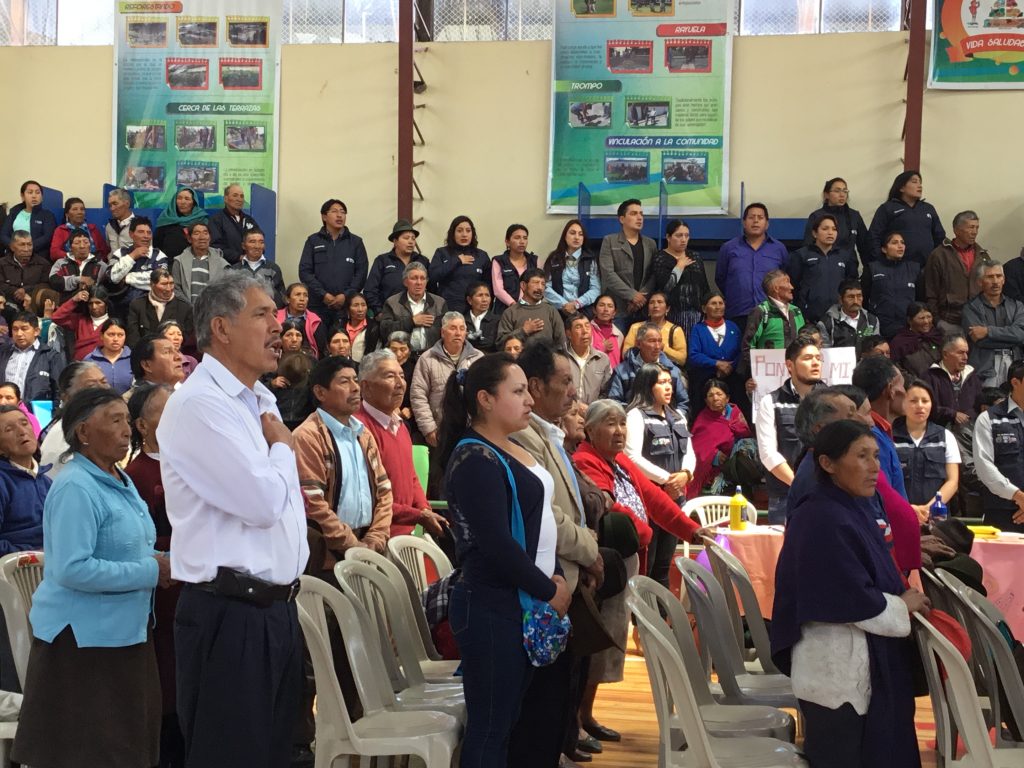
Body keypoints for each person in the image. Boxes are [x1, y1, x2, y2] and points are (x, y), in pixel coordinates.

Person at [157, 271, 310, 766]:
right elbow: (262, 503)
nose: (278, 326)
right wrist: (283, 449)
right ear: (220, 328)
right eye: (262, 314)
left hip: (276, 611)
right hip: (230, 615)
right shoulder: (200, 404)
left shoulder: (259, 400)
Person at [11, 387, 170, 768]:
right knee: (93, 752)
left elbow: (129, 548)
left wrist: (168, 561)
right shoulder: (75, 487)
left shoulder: (118, 478)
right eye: (114, 421)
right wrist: (153, 570)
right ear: (83, 432)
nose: (127, 430)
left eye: (126, 420)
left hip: (126, 631)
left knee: (129, 747)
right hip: (83, 642)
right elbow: (72, 568)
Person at [437, 353, 570, 768]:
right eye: (518, 391)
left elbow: (539, 522)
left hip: (521, 599)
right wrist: (549, 588)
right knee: (491, 728)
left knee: (509, 722)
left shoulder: (508, 446)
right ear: (486, 399)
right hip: (492, 606)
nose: (529, 399)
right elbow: (496, 544)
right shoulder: (475, 459)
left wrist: (556, 577)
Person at [771, 418, 927, 768]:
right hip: (836, 667)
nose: (874, 467)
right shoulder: (821, 517)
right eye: (861, 456)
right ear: (828, 463)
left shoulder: (849, 506)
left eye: (876, 456)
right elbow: (851, 599)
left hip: (854, 657)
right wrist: (903, 605)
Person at [509, 340, 604, 768]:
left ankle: (563, 744)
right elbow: (548, 514)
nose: (573, 391)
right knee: (543, 701)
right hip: (548, 579)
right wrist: (588, 549)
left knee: (564, 685)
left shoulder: (548, 431)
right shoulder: (520, 436)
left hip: (568, 572)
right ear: (535, 385)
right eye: (564, 381)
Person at [123, 383, 182, 767]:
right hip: (167, 581)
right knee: (169, 672)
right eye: (165, 412)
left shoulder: (193, 462)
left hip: (200, 574)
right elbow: (139, 536)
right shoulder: (137, 473)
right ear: (142, 426)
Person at [573, 398, 701, 575]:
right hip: (609, 562)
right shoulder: (584, 461)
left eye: (622, 424)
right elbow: (607, 507)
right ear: (591, 430)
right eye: (611, 424)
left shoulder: (620, 459)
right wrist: (644, 532)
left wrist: (694, 530)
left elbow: (655, 499)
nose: (619, 431)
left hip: (632, 554)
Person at [294, 354, 393, 562]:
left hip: (368, 548)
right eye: (344, 382)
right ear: (320, 392)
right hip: (327, 557)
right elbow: (313, 503)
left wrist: (375, 538)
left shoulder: (363, 434)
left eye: (355, 380)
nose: (355, 388)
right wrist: (353, 546)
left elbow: (384, 492)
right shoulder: (308, 436)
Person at [354, 349, 447, 538]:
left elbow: (411, 476)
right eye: (390, 376)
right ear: (366, 386)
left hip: (406, 534)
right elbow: (366, 498)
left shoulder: (400, 426)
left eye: (402, 376)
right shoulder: (358, 429)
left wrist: (424, 508)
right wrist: (418, 515)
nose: (400, 383)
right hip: (375, 538)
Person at [624, 363, 695, 588]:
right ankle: (643, 610)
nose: (668, 387)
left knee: (664, 565)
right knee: (647, 563)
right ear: (647, 385)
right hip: (649, 501)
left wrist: (686, 474)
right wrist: (668, 480)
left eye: (669, 382)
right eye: (662, 382)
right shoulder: (636, 416)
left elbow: (690, 452)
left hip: (675, 499)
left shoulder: (678, 416)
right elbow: (631, 457)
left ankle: (663, 610)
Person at [756, 337, 824, 523]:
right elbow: (768, 454)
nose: (815, 363)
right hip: (785, 498)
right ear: (790, 365)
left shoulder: (832, 401)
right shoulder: (770, 402)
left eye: (818, 358)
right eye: (808, 358)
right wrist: (798, 484)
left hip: (826, 496)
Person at [410, 312, 483, 448]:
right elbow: (418, 396)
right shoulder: (427, 359)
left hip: (473, 430)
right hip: (440, 430)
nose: (458, 333)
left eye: (462, 329)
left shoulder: (478, 358)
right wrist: (429, 429)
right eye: (453, 328)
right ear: (443, 332)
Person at [892, 379, 960, 522]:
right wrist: (908, 509)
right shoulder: (890, 436)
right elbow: (886, 481)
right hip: (900, 514)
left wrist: (929, 509)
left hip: (936, 516)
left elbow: (952, 481)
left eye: (925, 401)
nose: (920, 406)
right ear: (903, 403)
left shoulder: (945, 436)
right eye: (913, 401)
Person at [715, 203, 788, 331]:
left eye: (760, 217)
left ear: (767, 223)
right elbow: (720, 278)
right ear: (744, 222)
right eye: (751, 217)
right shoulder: (729, 248)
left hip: (772, 314)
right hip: (738, 313)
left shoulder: (779, 249)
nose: (755, 221)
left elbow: (786, 279)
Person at [298, 199, 368, 326]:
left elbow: (361, 273)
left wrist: (345, 296)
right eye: (334, 211)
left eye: (343, 212)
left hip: (346, 306)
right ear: (324, 216)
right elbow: (305, 272)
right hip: (318, 305)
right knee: (318, 337)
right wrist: (323, 294)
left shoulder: (356, 242)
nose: (339, 215)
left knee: (343, 338)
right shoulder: (313, 241)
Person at [973, 359, 1024, 532]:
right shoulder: (989, 418)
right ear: (1015, 382)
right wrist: (1018, 496)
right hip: (1002, 511)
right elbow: (984, 466)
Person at [851, 355, 909, 499]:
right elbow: (883, 499)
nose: (906, 392)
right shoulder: (873, 438)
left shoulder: (879, 434)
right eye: (903, 385)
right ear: (890, 390)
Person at [39, 361, 109, 479]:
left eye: (104, 382)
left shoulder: (103, 426)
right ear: (67, 397)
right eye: (91, 386)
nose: (102, 390)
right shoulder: (62, 436)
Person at [924, 210, 991, 331]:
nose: (975, 232)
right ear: (957, 230)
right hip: (949, 320)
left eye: (977, 227)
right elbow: (931, 292)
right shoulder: (939, 255)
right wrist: (937, 321)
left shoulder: (983, 256)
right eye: (971, 227)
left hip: (978, 320)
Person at [789, 212, 858, 324]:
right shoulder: (801, 255)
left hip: (839, 317)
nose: (830, 232)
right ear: (815, 233)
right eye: (825, 229)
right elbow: (793, 286)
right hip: (809, 318)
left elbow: (851, 285)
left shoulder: (845, 256)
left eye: (834, 229)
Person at [963, 260, 1024, 388]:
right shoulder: (971, 308)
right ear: (980, 282)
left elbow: (1020, 335)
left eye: (999, 276)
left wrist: (988, 331)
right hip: (985, 369)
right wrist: (1011, 338)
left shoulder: (1017, 306)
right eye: (990, 277)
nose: (995, 281)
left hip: (1014, 365)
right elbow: (980, 341)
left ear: (1004, 280)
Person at [598, 199, 657, 330]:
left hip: (643, 308)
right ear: (622, 219)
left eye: (641, 214)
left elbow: (654, 274)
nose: (639, 218)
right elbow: (608, 274)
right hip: (618, 308)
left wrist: (640, 298)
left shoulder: (650, 244)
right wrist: (632, 295)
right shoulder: (609, 241)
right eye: (634, 214)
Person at [689, 378, 755, 496]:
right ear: (706, 401)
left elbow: (746, 435)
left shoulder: (735, 414)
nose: (715, 398)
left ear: (727, 398)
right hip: (716, 470)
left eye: (719, 394)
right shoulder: (703, 420)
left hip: (740, 467)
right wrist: (715, 455)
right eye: (710, 395)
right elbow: (698, 447)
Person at [739, 269, 804, 383]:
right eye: (787, 282)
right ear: (776, 288)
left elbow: (804, 341)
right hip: (769, 377)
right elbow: (748, 347)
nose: (792, 287)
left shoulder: (796, 311)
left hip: (796, 374)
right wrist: (757, 373)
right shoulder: (761, 311)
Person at [868, 169, 945, 266]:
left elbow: (939, 236)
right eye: (914, 182)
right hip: (897, 267)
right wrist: (881, 261)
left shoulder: (928, 208)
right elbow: (874, 236)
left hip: (926, 266)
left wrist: (937, 261)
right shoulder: (888, 208)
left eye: (920, 183)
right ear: (901, 187)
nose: (919, 186)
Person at [607, 322, 688, 412]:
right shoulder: (622, 371)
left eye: (659, 341)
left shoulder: (673, 371)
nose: (658, 346)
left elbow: (683, 404)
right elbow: (613, 402)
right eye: (652, 341)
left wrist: (674, 419)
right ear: (638, 344)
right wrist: (635, 414)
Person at [649, 218, 710, 336]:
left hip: (697, 314)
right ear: (668, 237)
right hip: (672, 314)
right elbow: (665, 288)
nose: (683, 239)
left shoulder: (695, 256)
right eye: (679, 235)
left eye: (686, 236)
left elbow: (704, 286)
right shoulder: (660, 258)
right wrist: (679, 267)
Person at [0, 404, 47, 553]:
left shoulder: (47, 481)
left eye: (24, 423)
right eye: (9, 429)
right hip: (19, 565)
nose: (22, 432)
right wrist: (33, 554)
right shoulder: (3, 483)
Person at [688, 290, 743, 414]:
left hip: (732, 377)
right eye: (713, 303)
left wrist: (730, 367)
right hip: (706, 379)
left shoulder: (733, 327)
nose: (718, 306)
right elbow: (694, 355)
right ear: (704, 308)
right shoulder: (698, 329)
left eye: (721, 303)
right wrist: (716, 364)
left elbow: (741, 352)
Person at [377, 261, 447, 355]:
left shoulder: (439, 303)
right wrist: (411, 322)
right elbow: (385, 331)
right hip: (402, 356)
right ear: (405, 282)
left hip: (431, 356)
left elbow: (446, 332)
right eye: (414, 278)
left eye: (422, 278)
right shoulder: (392, 303)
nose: (419, 282)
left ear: (427, 281)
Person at [802, 177, 872, 269]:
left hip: (849, 268)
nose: (842, 195)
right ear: (826, 194)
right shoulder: (817, 216)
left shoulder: (854, 216)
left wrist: (868, 270)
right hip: (824, 267)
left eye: (845, 191)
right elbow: (808, 245)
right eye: (837, 191)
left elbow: (864, 246)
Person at [106, 216, 169, 317]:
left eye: (149, 232)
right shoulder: (120, 253)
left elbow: (159, 280)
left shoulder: (159, 255)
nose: (146, 236)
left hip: (150, 309)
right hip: (120, 308)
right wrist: (132, 256)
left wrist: (127, 278)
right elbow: (112, 277)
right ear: (131, 234)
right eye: (141, 232)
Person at [364, 219, 429, 314]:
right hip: (390, 314)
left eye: (413, 238)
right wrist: (379, 312)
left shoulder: (423, 261)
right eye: (406, 238)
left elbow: (431, 289)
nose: (411, 242)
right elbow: (370, 290)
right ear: (395, 241)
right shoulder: (383, 260)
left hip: (419, 313)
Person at [863, 231, 920, 339]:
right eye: (894, 242)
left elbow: (920, 298)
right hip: (879, 326)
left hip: (907, 327)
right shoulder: (872, 268)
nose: (900, 246)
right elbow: (864, 298)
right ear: (884, 249)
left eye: (902, 242)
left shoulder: (914, 269)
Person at [429, 214, 489, 314]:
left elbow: (488, 286)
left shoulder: (481, 256)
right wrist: (456, 261)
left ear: (472, 234)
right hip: (447, 307)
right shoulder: (442, 253)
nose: (464, 234)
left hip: (474, 309)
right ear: (453, 233)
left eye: (468, 231)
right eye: (460, 231)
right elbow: (432, 277)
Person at [0, 311, 64, 405]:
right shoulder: (3, 352)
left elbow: (59, 390)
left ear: (36, 331)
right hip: (4, 410)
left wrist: (54, 412)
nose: (19, 333)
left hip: (36, 411)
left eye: (24, 329)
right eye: (15, 329)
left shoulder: (50, 355)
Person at [126, 268, 195, 351]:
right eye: (164, 284)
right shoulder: (138, 305)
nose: (169, 288)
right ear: (152, 285)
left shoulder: (185, 307)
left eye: (171, 283)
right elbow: (133, 338)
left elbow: (187, 340)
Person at [497, 268, 568, 348]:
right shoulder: (510, 312)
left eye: (543, 284)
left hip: (547, 356)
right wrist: (524, 331)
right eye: (536, 283)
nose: (540, 288)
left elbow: (562, 343)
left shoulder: (551, 311)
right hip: (520, 356)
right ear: (523, 285)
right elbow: (501, 344)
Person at [922, 333, 981, 429]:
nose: (965, 357)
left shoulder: (972, 375)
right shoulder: (930, 377)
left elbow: (979, 403)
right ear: (945, 354)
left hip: (970, 430)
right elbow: (925, 406)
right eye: (960, 353)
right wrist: (952, 414)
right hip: (939, 431)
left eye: (966, 352)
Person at [543, 218, 601, 317]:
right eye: (572, 233)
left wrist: (576, 304)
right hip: (558, 311)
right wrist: (564, 305)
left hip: (583, 312)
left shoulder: (590, 259)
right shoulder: (553, 258)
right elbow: (545, 287)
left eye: (580, 234)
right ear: (565, 236)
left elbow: (596, 290)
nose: (577, 237)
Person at [171, 221, 229, 305]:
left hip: (213, 309)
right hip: (186, 309)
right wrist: (188, 307)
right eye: (196, 233)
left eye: (205, 233)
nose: (202, 237)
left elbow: (226, 290)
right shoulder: (179, 261)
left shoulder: (222, 264)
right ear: (189, 239)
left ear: (210, 238)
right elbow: (175, 288)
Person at [622, 292, 687, 366]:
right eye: (652, 302)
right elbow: (625, 354)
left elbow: (682, 359)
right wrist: (642, 347)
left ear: (667, 309)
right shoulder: (636, 327)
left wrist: (663, 348)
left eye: (660, 302)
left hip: (667, 371)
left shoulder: (675, 330)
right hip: (638, 369)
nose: (655, 305)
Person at [49, 227, 110, 306]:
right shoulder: (61, 263)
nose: (82, 246)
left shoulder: (101, 265)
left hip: (91, 307)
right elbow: (54, 281)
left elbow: (106, 288)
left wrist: (91, 287)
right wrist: (78, 279)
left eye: (86, 242)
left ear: (90, 245)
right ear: (70, 247)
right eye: (77, 243)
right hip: (66, 306)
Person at [816, 279, 882, 353]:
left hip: (866, 360)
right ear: (840, 299)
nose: (856, 301)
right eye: (851, 297)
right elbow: (825, 353)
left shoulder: (872, 320)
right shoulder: (826, 323)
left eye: (859, 296)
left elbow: (877, 350)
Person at [227, 229, 285, 308]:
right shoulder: (234, 270)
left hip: (266, 312)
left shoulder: (273, 269)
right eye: (252, 242)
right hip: (241, 312)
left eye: (261, 242)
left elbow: (281, 298)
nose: (257, 246)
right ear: (243, 246)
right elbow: (229, 297)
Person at [51, 284, 109, 360]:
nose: (94, 307)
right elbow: (56, 317)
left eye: (98, 303)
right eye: (90, 303)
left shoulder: (112, 324)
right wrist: (74, 300)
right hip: (80, 364)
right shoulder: (80, 320)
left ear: (106, 305)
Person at [0, 180, 56, 257]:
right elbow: (3, 234)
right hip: (13, 255)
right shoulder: (14, 212)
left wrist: (27, 248)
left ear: (42, 197)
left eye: (37, 193)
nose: (34, 196)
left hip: (37, 256)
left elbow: (47, 237)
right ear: (23, 196)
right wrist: (13, 246)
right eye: (30, 192)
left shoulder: (48, 215)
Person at [207, 183, 259, 265]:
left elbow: (259, 240)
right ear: (225, 199)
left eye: (241, 196)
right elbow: (215, 246)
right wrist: (239, 257)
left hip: (250, 265)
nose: (239, 199)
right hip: (226, 266)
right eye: (235, 195)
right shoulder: (216, 220)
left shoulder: (249, 220)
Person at [491, 224, 539, 312]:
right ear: (507, 242)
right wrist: (514, 305)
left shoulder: (534, 260)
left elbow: (540, 286)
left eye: (525, 238)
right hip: (505, 310)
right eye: (517, 238)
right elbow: (498, 290)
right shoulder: (499, 261)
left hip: (531, 309)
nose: (522, 241)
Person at [565, 313, 611, 404]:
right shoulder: (560, 358)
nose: (585, 331)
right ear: (568, 334)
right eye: (578, 327)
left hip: (593, 410)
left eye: (587, 326)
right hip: (566, 409)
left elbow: (606, 392)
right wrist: (575, 406)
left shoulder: (602, 359)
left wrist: (593, 408)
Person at [890, 302, 942, 380]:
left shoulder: (936, 336)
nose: (926, 321)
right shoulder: (899, 343)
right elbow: (897, 370)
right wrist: (916, 383)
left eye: (929, 317)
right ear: (909, 320)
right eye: (921, 318)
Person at [49, 197, 110, 262]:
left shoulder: (93, 229)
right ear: (67, 214)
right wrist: (75, 258)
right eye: (75, 209)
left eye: (82, 209)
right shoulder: (61, 230)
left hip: (93, 263)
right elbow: (54, 253)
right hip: (70, 263)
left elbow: (104, 251)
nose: (79, 212)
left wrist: (94, 261)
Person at [275, 282, 326, 359]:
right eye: (298, 294)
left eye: (305, 295)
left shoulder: (315, 321)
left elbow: (321, 350)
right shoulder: (275, 318)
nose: (302, 299)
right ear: (287, 299)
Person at [0, 230, 51, 306]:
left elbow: (46, 285)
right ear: (12, 247)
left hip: (34, 302)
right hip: (7, 302)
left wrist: (25, 290)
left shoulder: (43, 264)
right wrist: (15, 291)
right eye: (22, 245)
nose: (26, 249)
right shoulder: (2, 263)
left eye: (29, 245)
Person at [154, 187, 207, 260]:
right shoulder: (166, 219)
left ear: (193, 202)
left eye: (187, 199)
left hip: (195, 262)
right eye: (179, 198)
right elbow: (156, 246)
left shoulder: (202, 220)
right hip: (168, 262)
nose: (182, 202)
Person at [84, 317, 133, 395]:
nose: (115, 339)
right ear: (101, 336)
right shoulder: (90, 360)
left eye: (120, 335)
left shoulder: (133, 358)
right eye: (111, 334)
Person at [341, 292, 379, 362]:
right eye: (355, 305)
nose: (360, 309)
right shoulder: (340, 326)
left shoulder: (373, 328)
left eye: (363, 305)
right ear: (348, 309)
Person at [590, 293, 624, 369]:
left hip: (614, 376)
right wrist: (601, 347)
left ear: (614, 313)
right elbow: (581, 355)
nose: (606, 309)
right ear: (594, 310)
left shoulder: (618, 334)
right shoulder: (587, 330)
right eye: (601, 305)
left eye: (610, 306)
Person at [463, 281, 499, 353]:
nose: (484, 300)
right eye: (480, 295)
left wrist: (469, 338)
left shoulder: (497, 320)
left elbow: (493, 343)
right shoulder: (462, 320)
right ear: (469, 300)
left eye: (487, 295)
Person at [105, 187, 136, 253]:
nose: (112, 208)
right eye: (110, 205)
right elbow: (108, 247)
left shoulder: (140, 225)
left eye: (115, 204)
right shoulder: (109, 226)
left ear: (127, 204)